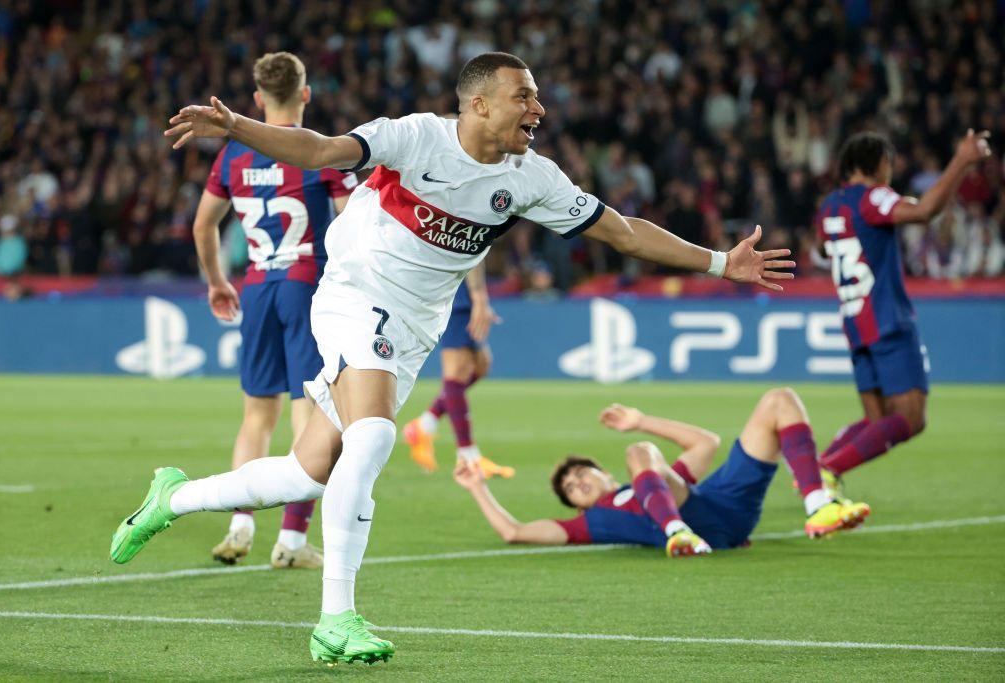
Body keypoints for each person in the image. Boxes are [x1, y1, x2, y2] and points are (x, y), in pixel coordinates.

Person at [111, 52, 794, 666]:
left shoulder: (532, 178)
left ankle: (174, 495)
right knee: (373, 436)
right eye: (523, 96)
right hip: (354, 294)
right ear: (478, 104)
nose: (539, 109)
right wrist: (239, 128)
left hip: (412, 329)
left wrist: (718, 261)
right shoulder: (416, 137)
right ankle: (335, 619)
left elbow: (622, 231)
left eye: (537, 97)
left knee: (307, 470)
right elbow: (319, 149)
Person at [191, 52, 357, 569]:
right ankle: (290, 541)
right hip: (307, 285)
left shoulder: (233, 155)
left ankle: (240, 524)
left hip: (258, 286)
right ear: (305, 94)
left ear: (259, 99)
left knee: (256, 417)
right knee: (309, 418)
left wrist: (219, 281)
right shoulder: (319, 152)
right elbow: (351, 223)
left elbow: (203, 227)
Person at [453, 388, 871, 554]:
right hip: (697, 522)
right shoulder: (591, 523)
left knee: (780, 400)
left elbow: (706, 442)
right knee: (640, 452)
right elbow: (514, 532)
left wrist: (640, 421)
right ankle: (676, 533)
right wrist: (476, 488)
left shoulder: (650, 479)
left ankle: (818, 504)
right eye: (571, 489)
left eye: (580, 473)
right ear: (577, 505)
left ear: (602, 472)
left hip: (720, 507)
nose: (577, 483)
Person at [814, 130, 991, 493]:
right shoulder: (873, 195)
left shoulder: (829, 206)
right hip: (887, 319)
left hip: (855, 324)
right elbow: (925, 211)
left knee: (876, 420)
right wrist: (962, 160)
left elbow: (822, 246)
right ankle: (828, 469)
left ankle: (817, 477)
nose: (891, 169)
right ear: (877, 163)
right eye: (888, 162)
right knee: (910, 418)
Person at [402, 269, 515, 478]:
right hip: (455, 290)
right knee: (456, 372)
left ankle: (424, 424)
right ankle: (469, 457)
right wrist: (480, 299)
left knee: (481, 365)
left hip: (462, 287)